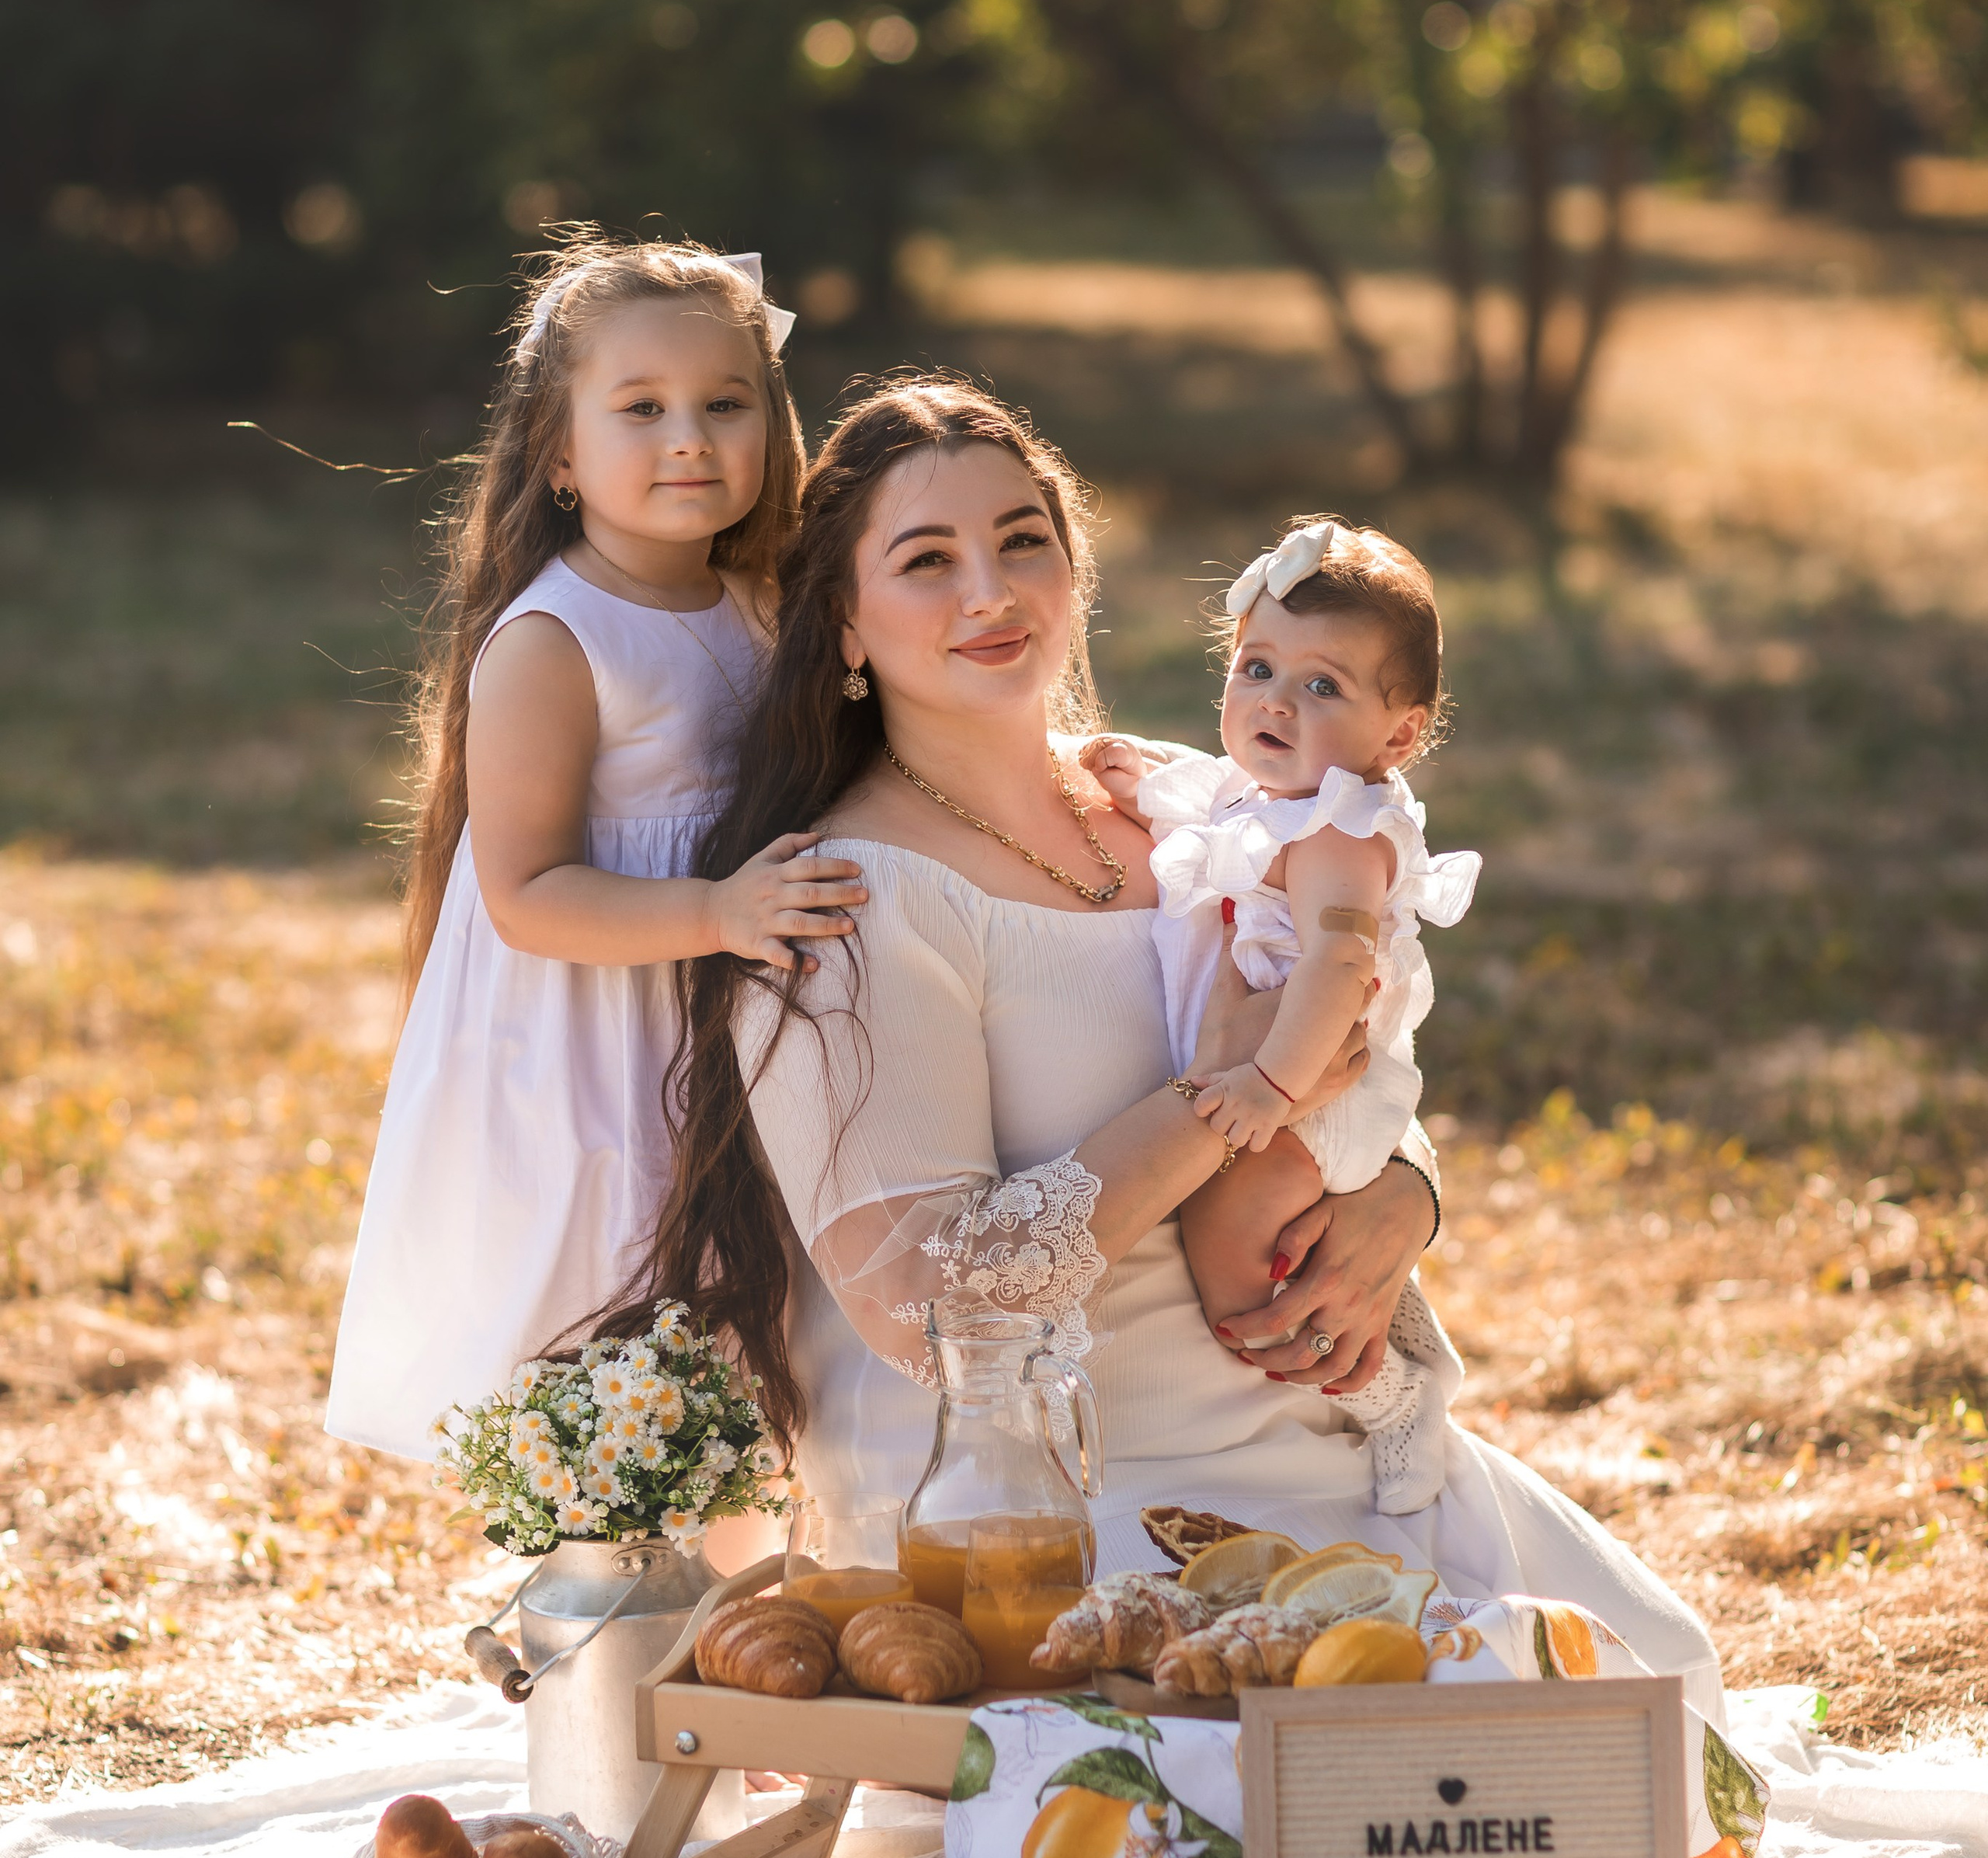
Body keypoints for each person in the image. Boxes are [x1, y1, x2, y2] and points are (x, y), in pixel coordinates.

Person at [608, 378, 1724, 1721]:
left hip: (1314, 1432)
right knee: (1342, 1768)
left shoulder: (1177, 798)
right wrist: (1213, 1105)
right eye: (927, 560)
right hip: (1057, 1505)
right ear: (842, 619)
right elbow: (932, 1306)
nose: (991, 592)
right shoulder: (847, 901)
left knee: (1644, 1698)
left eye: (1023, 540)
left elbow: (1352, 1025)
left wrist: (1402, 1194)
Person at [325, 237, 865, 1463]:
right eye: (642, 408)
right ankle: (597, 1552)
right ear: (559, 453)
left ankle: (731, 1549)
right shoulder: (555, 639)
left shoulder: (759, 605)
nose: (691, 438)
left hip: (724, 1018)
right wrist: (718, 914)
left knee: (740, 1293)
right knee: (617, 1279)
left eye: (726, 403)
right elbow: (525, 892)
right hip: (595, 1038)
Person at [1085, 511, 1479, 1509]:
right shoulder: (1270, 792)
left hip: (1318, 1074)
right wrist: (1141, 788)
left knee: (1231, 1241)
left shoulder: (1342, 831)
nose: (1275, 701)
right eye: (1256, 668)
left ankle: (1391, 1394)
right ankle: (1380, 1345)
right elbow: (1210, 818)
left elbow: (1340, 963)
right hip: (1284, 1066)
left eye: (1322, 686)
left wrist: (1268, 1084)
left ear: (1399, 734)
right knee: (1254, 1230)